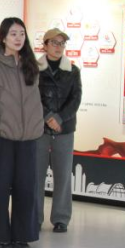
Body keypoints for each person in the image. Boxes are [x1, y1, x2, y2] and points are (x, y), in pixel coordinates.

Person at [0, 17, 43, 248]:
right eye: (13, 34)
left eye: (21, 34)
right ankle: (0, 236)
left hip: (28, 137)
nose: (18, 38)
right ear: (3, 37)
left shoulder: (31, 64)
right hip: (2, 135)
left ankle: (22, 235)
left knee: (26, 188)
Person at [36, 28, 82, 234]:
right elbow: (31, 97)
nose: (58, 47)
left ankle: (61, 218)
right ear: (45, 45)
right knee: (36, 175)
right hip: (39, 128)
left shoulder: (73, 70)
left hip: (64, 128)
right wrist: (48, 117)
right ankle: (35, 216)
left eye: (61, 43)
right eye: (54, 42)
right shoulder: (34, 69)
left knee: (63, 174)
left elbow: (75, 99)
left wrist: (60, 118)